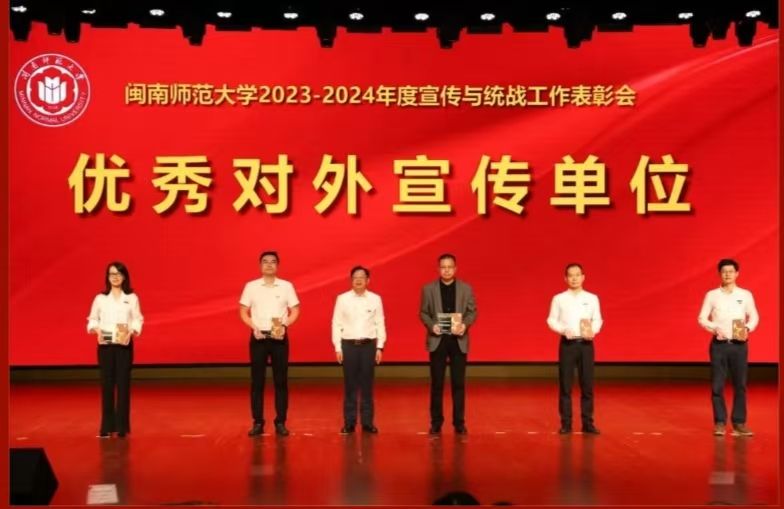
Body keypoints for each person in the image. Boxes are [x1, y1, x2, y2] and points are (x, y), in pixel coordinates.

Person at [240, 251, 301, 437]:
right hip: (258, 336)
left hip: (278, 336)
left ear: (277, 266)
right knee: (257, 382)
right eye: (265, 262)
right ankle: (258, 422)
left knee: (280, 381)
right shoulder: (251, 286)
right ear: (260, 265)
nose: (269, 265)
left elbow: (295, 310)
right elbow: (243, 311)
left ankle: (280, 422)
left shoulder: (286, 286)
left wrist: (285, 325)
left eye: (273, 262)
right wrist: (253, 326)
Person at [698, 258, 759, 437]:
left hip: (739, 343)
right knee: (717, 385)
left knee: (740, 384)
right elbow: (702, 318)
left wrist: (747, 328)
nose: (727, 274)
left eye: (731, 271)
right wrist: (714, 327)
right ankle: (720, 422)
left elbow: (754, 316)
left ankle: (739, 423)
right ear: (720, 274)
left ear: (737, 274)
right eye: (724, 272)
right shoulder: (712, 295)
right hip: (719, 344)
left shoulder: (745, 294)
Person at [419, 253, 477, 435]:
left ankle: (459, 422)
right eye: (443, 267)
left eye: (450, 267)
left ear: (455, 268)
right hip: (438, 340)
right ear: (438, 269)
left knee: (458, 384)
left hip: (458, 340)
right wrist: (432, 326)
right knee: (437, 384)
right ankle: (436, 422)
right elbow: (423, 313)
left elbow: (472, 312)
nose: (446, 270)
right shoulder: (428, 289)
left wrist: (464, 325)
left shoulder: (466, 289)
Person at [87, 261, 144, 438]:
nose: (115, 277)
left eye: (118, 274)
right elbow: (92, 319)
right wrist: (97, 331)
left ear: (124, 276)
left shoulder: (131, 298)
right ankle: (106, 427)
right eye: (112, 274)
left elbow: (138, 319)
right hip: (105, 345)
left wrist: (131, 332)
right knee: (107, 385)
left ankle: (121, 428)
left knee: (123, 385)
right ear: (107, 277)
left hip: (124, 345)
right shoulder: (100, 298)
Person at [546, 263, 602, 435]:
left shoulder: (592, 298)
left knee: (587, 386)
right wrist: (563, 330)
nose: (574, 278)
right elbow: (551, 320)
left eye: (577, 275)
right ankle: (566, 424)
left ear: (583, 277)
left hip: (586, 345)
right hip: (568, 345)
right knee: (565, 386)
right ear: (565, 278)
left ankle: (588, 423)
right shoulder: (559, 298)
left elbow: (598, 319)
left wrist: (593, 331)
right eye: (571, 275)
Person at [332, 265, 386, 434]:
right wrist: (337, 347)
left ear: (368, 280)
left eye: (362, 277)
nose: (358, 280)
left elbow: (380, 323)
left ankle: (367, 423)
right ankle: (349, 423)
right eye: (355, 277)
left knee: (367, 386)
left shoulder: (375, 299)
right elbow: (336, 323)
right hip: (348, 346)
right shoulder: (342, 299)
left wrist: (380, 346)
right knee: (350, 386)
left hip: (368, 346)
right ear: (351, 280)